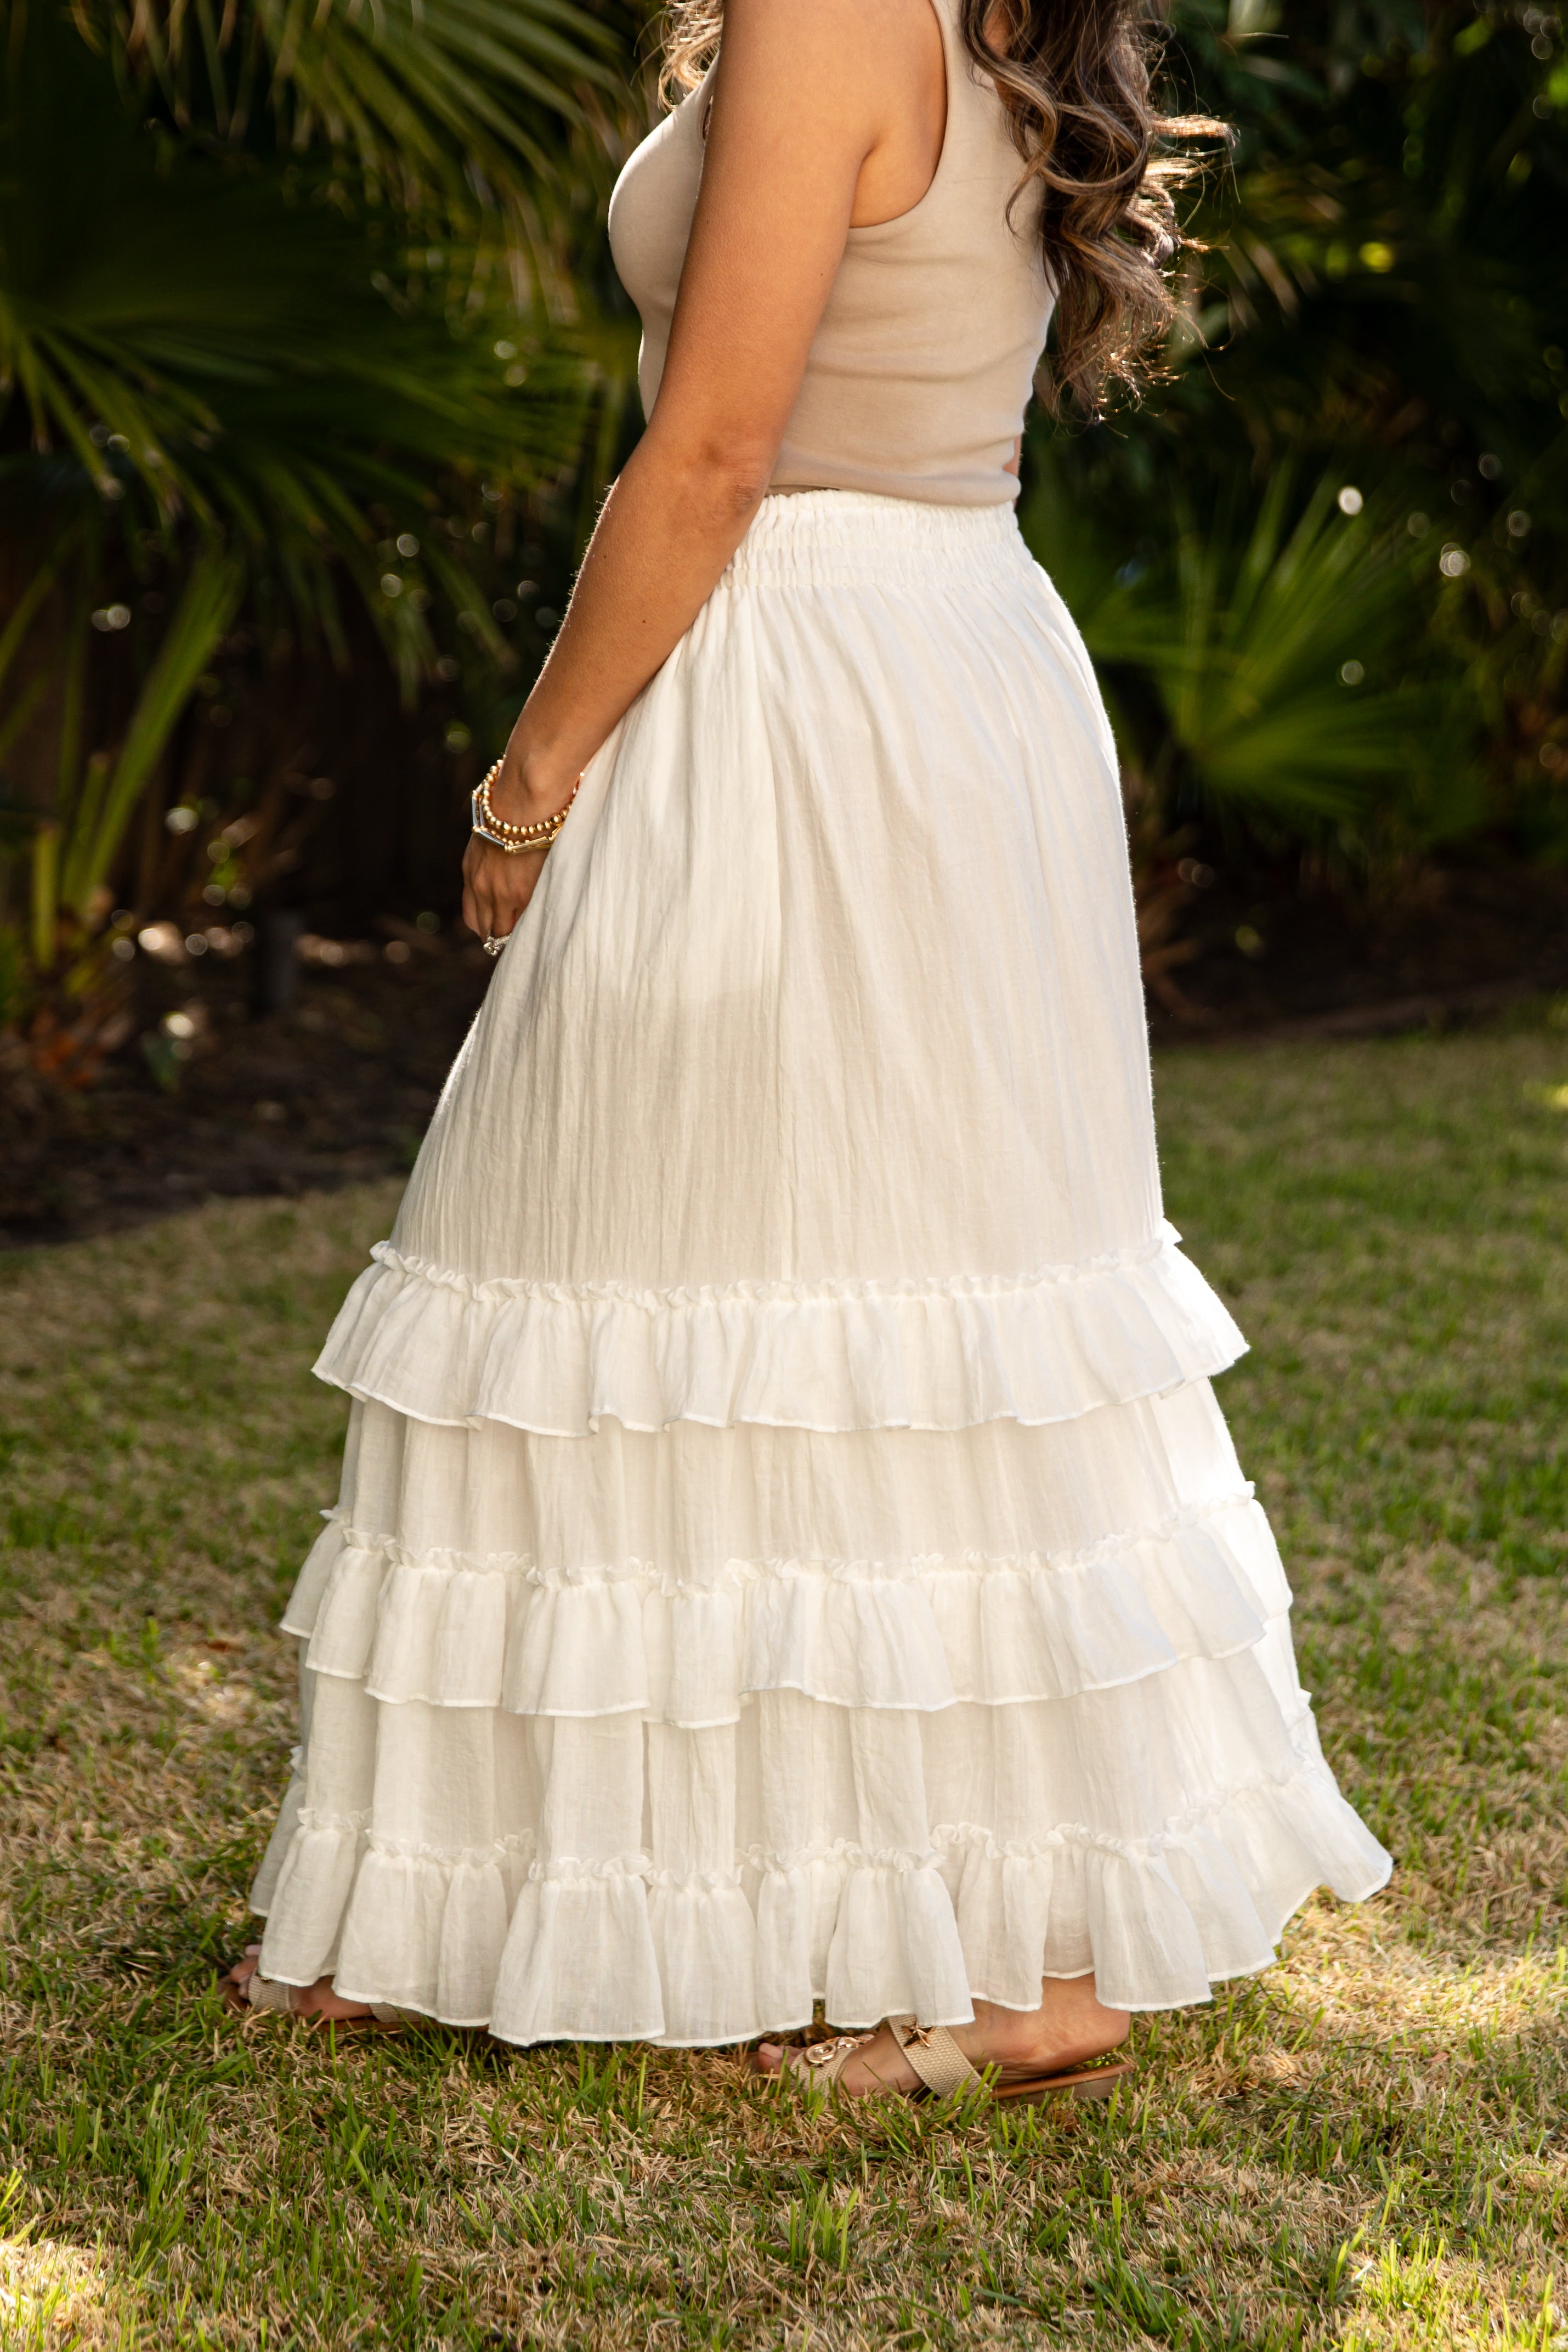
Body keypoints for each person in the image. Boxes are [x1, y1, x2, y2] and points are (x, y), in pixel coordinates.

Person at [227, 0, 1391, 2101]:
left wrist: (526, 782)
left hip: (803, 671)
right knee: (877, 1280)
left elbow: (711, 448)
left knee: (627, 1247)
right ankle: (475, 1904)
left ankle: (1013, 1965)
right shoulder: (976, 16)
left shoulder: (833, 5)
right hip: (952, 655)